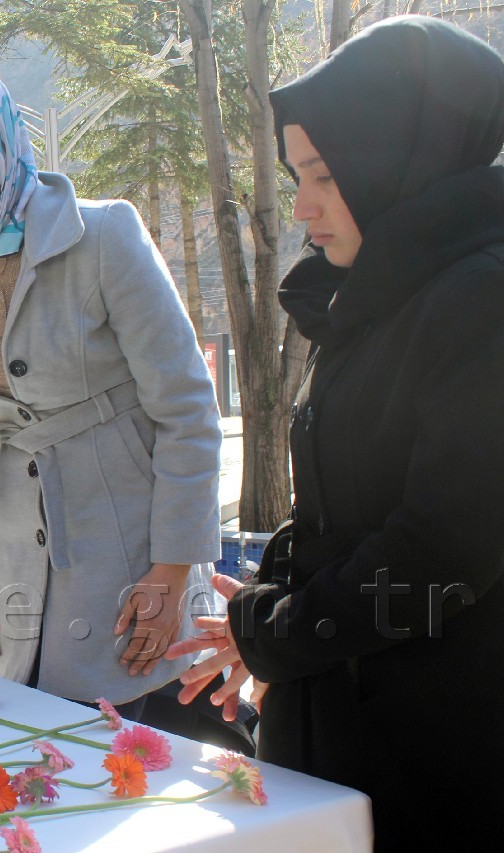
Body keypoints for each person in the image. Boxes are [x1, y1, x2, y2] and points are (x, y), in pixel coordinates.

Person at [165, 16, 504, 850]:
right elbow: (343, 503)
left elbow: (442, 550)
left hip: (434, 750)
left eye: (324, 173)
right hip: (343, 724)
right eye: (295, 175)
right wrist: (267, 602)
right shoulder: (374, 296)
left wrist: (278, 632)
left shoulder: (479, 300)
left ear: (400, 158)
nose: (303, 205)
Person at [0, 61, 222, 720]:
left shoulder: (104, 237)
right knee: (40, 736)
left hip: (129, 537)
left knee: (145, 735)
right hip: (16, 543)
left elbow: (186, 408)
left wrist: (173, 570)